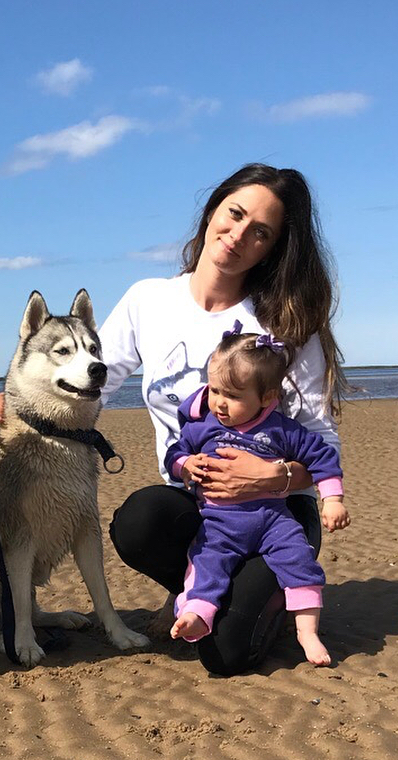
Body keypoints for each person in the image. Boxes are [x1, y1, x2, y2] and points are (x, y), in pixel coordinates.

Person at [98, 162, 349, 676]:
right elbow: (90, 381)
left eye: (261, 233)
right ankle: (199, 586)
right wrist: (11, 400)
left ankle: (268, 596)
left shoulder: (282, 324)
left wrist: (273, 475)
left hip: (278, 512)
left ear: (273, 249)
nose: (238, 236)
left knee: (226, 655)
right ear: (213, 209)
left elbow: (321, 438)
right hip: (202, 509)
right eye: (234, 214)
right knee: (139, 521)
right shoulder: (149, 300)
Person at [165, 332, 350, 666]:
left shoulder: (283, 430)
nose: (219, 403)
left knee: (300, 563)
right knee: (206, 566)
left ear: (266, 397)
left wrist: (332, 500)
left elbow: (322, 458)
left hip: (272, 519)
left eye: (233, 396)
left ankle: (307, 632)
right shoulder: (202, 427)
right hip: (218, 523)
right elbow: (175, 453)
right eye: (215, 391)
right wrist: (186, 465)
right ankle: (196, 614)